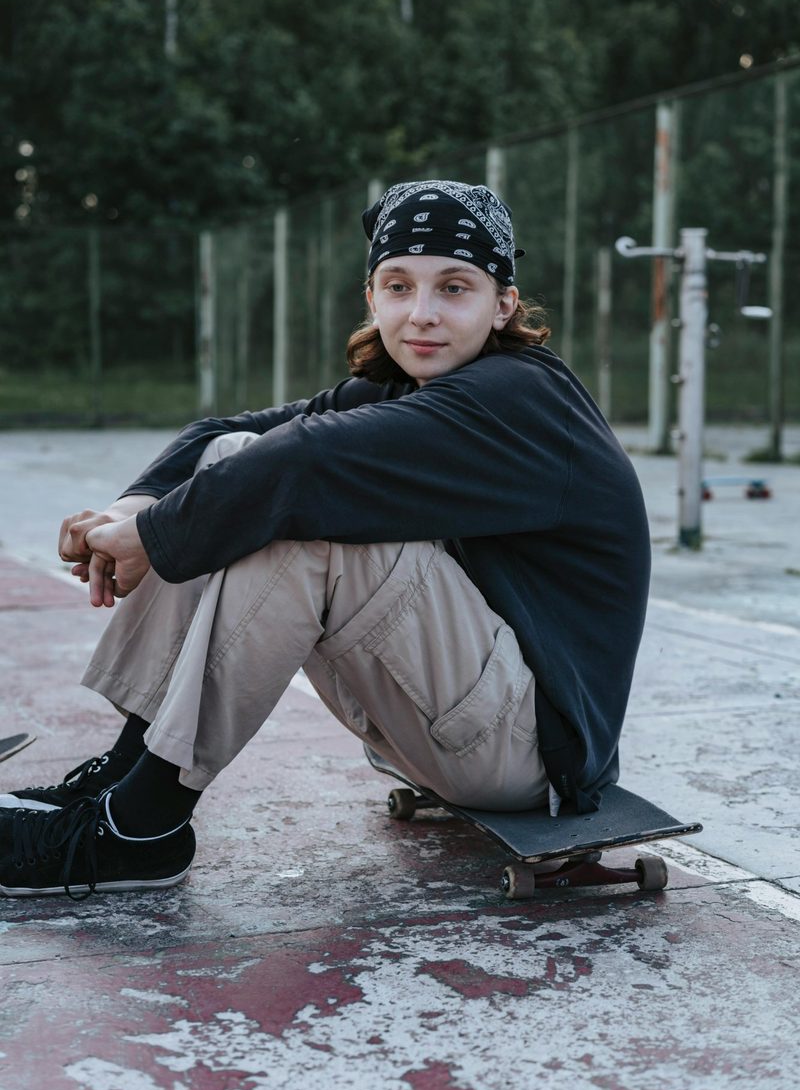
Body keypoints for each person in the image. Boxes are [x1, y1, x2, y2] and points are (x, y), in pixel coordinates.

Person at [0, 179, 650, 900]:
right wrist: (131, 510)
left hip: (532, 752)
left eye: (454, 288)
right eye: (398, 286)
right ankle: (125, 777)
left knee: (302, 521)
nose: (422, 314)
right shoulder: (403, 387)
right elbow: (222, 437)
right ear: (372, 297)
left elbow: (303, 465)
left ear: (502, 304)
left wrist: (152, 538)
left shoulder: (521, 397)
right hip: (447, 723)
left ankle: (139, 831)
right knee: (237, 462)